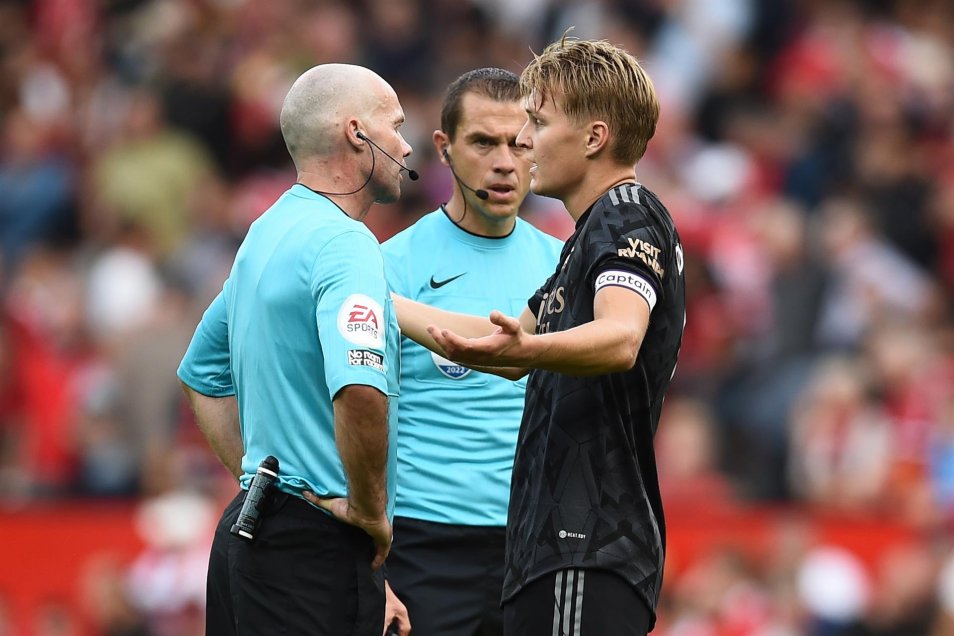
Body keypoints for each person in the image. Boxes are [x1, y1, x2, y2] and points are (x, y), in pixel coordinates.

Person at [396, 37, 685, 636]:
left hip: (586, 540)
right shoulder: (578, 246)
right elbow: (499, 347)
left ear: (594, 138)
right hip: (545, 553)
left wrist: (529, 351)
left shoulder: (627, 211)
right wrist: (373, 300)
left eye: (538, 122)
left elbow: (620, 337)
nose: (524, 142)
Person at [177, 63, 412, 636]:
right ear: (357, 134)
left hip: (250, 540)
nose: (407, 145)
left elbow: (201, 375)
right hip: (311, 550)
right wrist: (367, 513)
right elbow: (360, 389)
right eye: (396, 125)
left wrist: (262, 481)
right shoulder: (346, 243)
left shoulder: (266, 232)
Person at [380, 68, 563, 636]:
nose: (505, 162)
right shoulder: (390, 266)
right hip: (423, 546)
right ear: (446, 149)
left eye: (520, 143)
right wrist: (372, 568)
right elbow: (344, 413)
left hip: (539, 543)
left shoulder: (568, 265)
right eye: (484, 142)